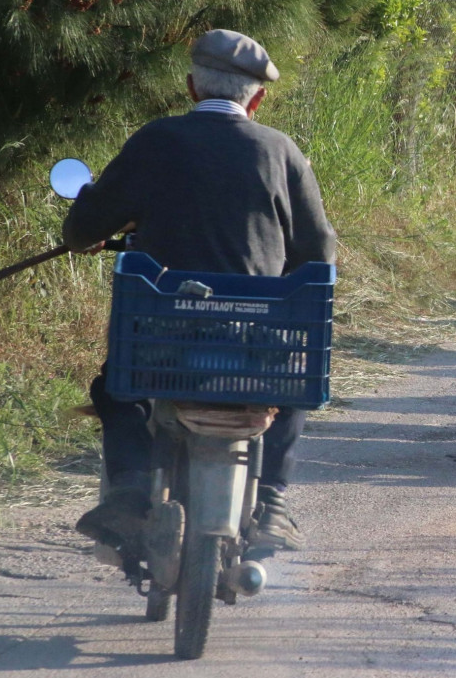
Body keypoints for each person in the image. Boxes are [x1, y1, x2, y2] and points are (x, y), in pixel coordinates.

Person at [63, 29, 337, 554]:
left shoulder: (156, 140)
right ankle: (274, 500)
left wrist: (94, 220)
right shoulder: (281, 152)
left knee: (116, 389)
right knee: (294, 382)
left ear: (191, 87)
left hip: (163, 344)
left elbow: (81, 231)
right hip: (251, 348)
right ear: (256, 98)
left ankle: (128, 490)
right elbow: (319, 254)